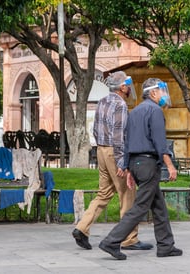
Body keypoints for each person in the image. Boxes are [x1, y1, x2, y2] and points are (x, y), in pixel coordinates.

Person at [98, 78, 182, 260]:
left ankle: (166, 245)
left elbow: (126, 142)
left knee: (159, 206)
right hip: (148, 163)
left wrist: (128, 168)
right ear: (153, 93)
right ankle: (111, 241)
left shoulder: (134, 111)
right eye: (162, 91)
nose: (164, 95)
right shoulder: (155, 111)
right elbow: (160, 142)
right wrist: (170, 165)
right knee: (140, 207)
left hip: (136, 164)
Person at [72, 71, 153, 251]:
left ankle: (81, 228)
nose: (130, 87)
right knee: (127, 194)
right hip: (114, 152)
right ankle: (129, 238)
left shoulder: (102, 101)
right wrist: (121, 162)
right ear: (122, 87)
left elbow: (94, 129)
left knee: (104, 193)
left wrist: (103, 150)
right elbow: (118, 137)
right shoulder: (120, 105)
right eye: (128, 84)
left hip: (101, 150)